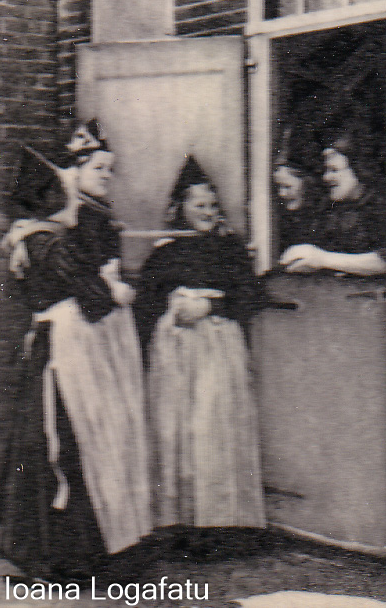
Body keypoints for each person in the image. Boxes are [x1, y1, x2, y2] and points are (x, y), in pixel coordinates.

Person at [0, 122, 151, 581]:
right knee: (69, 442)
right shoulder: (48, 241)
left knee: (61, 443)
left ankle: (69, 551)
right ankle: (67, 555)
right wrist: (116, 291)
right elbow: (92, 295)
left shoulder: (34, 239)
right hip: (67, 353)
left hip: (64, 345)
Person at [136, 156, 266, 545]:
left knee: (213, 425)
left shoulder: (229, 250)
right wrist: (166, 319)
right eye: (199, 206)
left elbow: (251, 295)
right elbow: (146, 302)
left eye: (212, 206)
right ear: (181, 209)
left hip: (216, 345)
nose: (208, 213)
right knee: (176, 427)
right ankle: (179, 521)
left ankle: (222, 523)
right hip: (174, 351)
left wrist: (209, 306)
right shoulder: (165, 252)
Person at [279, 130, 386, 276]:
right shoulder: (329, 210)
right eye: (326, 170)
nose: (326, 177)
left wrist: (323, 259)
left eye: (334, 170)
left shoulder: (381, 207)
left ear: (360, 171)